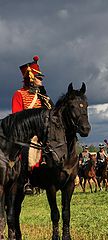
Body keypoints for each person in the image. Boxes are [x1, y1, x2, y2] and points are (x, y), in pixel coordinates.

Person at [12, 55, 53, 194]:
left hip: (42, 131)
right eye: (39, 78)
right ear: (30, 78)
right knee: (25, 150)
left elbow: (51, 112)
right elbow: (16, 117)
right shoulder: (19, 94)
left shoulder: (43, 96)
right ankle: (26, 181)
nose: (41, 80)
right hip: (26, 132)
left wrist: (45, 94)